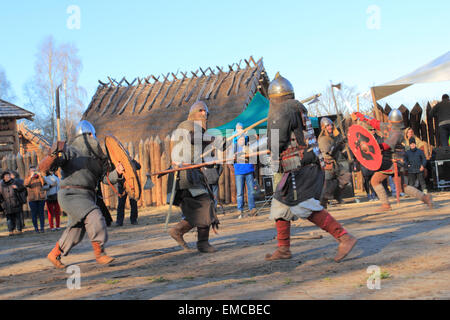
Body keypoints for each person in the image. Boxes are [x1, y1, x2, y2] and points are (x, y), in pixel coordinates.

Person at [264, 72, 357, 262]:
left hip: (300, 167)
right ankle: (283, 249)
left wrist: (270, 150)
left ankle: (344, 237)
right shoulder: (297, 108)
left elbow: (277, 140)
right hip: (300, 166)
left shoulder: (282, 111)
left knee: (303, 205)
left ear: (273, 98)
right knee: (280, 206)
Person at [46, 120, 125, 269]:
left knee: (76, 230)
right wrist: (54, 155)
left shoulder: (99, 159)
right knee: (94, 215)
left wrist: (118, 172)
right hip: (70, 194)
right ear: (89, 134)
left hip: (87, 196)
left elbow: (105, 179)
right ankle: (99, 253)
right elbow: (52, 165)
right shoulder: (70, 151)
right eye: (89, 135)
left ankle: (55, 253)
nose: (91, 138)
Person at [352, 109, 433, 211]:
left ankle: (386, 205)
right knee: (401, 187)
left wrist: (371, 146)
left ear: (391, 120)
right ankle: (425, 198)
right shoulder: (387, 127)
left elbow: (386, 146)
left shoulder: (397, 133)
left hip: (393, 161)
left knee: (375, 180)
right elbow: (373, 122)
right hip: (392, 161)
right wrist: (359, 115)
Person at [168, 101, 219, 253]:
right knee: (205, 205)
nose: (204, 114)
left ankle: (183, 233)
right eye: (201, 111)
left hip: (195, 175)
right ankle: (199, 241)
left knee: (202, 208)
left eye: (206, 112)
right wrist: (212, 140)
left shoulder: (202, 135)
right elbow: (191, 138)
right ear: (193, 113)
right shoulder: (187, 124)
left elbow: (207, 161)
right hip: (184, 175)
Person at [318, 117, 352, 207]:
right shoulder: (323, 139)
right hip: (327, 164)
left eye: (331, 125)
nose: (330, 127)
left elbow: (339, 150)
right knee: (328, 185)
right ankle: (323, 202)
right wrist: (339, 143)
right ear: (323, 127)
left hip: (335, 164)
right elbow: (330, 152)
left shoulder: (332, 138)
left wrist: (344, 143)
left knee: (346, 177)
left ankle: (337, 196)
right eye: (328, 125)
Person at [232, 122, 257, 218]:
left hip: (249, 170)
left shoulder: (248, 146)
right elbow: (230, 160)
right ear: (237, 139)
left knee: (251, 191)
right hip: (239, 172)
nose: (241, 139)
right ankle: (240, 210)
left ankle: (252, 209)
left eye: (243, 138)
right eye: (240, 138)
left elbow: (253, 156)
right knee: (239, 193)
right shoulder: (234, 147)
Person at [0, 171, 27, 236]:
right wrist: (2, 203)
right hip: (7, 204)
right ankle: (10, 230)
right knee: (9, 218)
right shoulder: (1, 185)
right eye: (6, 176)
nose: (8, 177)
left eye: (8, 176)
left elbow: (23, 189)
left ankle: (19, 229)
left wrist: (17, 188)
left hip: (16, 202)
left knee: (18, 217)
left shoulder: (15, 182)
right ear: (3, 178)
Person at [116, 160, 141, 226]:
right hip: (122, 185)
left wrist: (131, 162)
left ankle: (134, 220)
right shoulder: (117, 163)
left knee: (133, 202)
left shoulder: (131, 161)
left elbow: (139, 166)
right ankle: (119, 221)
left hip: (131, 184)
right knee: (121, 203)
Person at [24, 165, 46, 233]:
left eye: (34, 170)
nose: (33, 172)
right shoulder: (27, 178)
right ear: (29, 172)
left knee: (41, 213)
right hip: (32, 199)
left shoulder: (39, 177)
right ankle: (36, 228)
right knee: (34, 214)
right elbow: (26, 184)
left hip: (40, 198)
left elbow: (44, 183)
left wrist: (40, 176)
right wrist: (31, 176)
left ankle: (42, 228)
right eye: (32, 171)